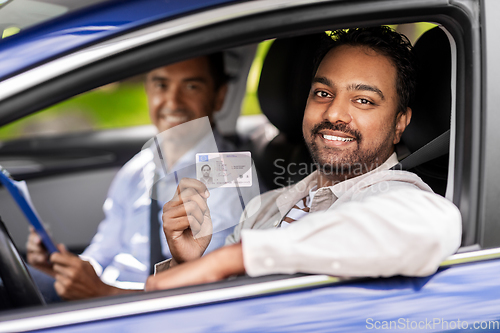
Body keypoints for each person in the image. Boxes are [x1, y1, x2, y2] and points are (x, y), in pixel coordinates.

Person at [145, 27, 462, 291]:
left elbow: (429, 225)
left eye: (363, 100)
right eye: (323, 94)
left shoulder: (399, 195)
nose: (335, 113)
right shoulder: (265, 206)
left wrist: (229, 259)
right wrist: (189, 263)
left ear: (399, 124)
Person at [26, 54, 247, 300]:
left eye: (191, 86)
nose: (172, 102)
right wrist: (63, 267)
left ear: (219, 96)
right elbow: (101, 254)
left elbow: (205, 293)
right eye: (161, 85)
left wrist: (102, 293)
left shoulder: (231, 173)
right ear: (147, 90)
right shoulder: (138, 167)